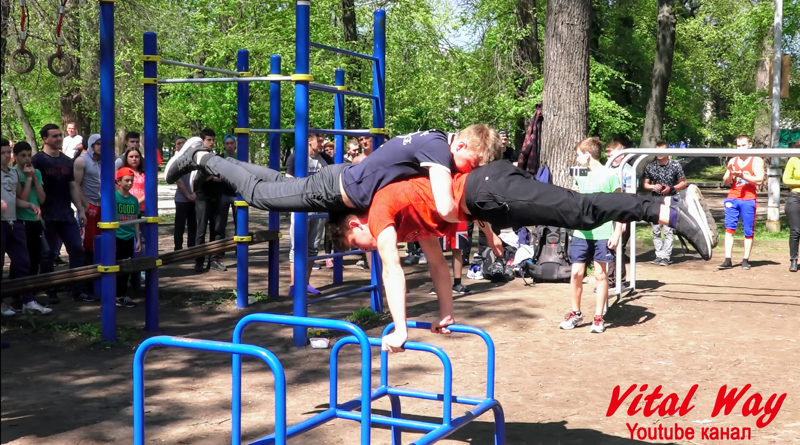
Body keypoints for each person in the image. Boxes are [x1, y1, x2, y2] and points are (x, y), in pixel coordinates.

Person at [325, 148, 713, 351]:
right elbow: (439, 268)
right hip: (490, 195)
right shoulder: (408, 219)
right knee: (576, 214)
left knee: (580, 211)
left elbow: (392, 270)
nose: (365, 248)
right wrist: (446, 313)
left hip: (491, 190)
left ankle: (668, 209)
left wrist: (402, 329)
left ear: (354, 223)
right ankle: (665, 211)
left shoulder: (378, 212)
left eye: (355, 243)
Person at [165, 126, 501, 223]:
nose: (469, 173)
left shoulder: (436, 137)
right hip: (337, 187)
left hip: (341, 179)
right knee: (258, 195)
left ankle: (207, 157)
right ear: (462, 147)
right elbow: (444, 207)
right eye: (473, 165)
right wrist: (478, 217)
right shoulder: (440, 152)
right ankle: (200, 155)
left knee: (276, 183)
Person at [559, 138, 623, 334]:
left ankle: (598, 317)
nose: (577, 159)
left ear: (587, 155)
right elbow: (576, 198)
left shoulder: (611, 175)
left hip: (603, 233)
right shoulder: (579, 174)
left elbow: (620, 207)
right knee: (576, 273)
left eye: (579, 155)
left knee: (600, 274)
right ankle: (576, 314)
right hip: (581, 231)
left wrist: (617, 231)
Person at [32, 124, 98, 303]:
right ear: (45, 139)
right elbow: (34, 190)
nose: (59, 138)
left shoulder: (67, 161)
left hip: (66, 215)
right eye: (55, 136)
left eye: (60, 135)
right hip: (46, 216)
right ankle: (49, 290)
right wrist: (39, 215)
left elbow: (72, 186)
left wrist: (81, 209)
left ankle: (77, 290)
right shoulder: (37, 161)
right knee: (47, 255)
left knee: (77, 250)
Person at [1, 138, 51, 315]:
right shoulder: (12, 171)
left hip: (14, 221)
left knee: (24, 262)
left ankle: (28, 301)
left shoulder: (13, 174)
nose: (6, 156)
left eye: (8, 152)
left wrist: (30, 205)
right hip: (3, 223)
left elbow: (17, 198)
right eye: (3, 153)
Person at [286, 131, 328, 295]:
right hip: (302, 207)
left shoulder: (325, 160)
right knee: (297, 246)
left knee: (313, 247)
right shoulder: (297, 157)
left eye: (323, 140)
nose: (322, 143)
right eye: (319, 140)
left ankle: (305, 283)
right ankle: (293, 285)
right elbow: (288, 179)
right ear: (309, 140)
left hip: (320, 208)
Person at [718, 135, 764, 270]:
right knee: (729, 228)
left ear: (749, 145)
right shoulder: (733, 160)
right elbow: (725, 181)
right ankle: (727, 259)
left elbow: (759, 180)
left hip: (749, 198)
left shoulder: (757, 160)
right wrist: (731, 173)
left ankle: (745, 259)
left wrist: (742, 175)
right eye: (738, 146)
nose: (741, 148)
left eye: (743, 145)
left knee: (748, 230)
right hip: (733, 197)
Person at [643, 141, 687, 266]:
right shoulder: (650, 166)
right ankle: (659, 255)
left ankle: (666, 256)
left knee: (668, 230)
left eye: (662, 151)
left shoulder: (675, 165)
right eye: (657, 150)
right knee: (656, 229)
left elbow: (683, 182)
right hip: (655, 200)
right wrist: (653, 186)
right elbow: (645, 184)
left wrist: (671, 188)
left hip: (670, 200)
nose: (659, 154)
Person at [11, 142, 46, 286]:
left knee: (35, 256)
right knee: (21, 258)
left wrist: (35, 178)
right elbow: (22, 199)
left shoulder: (36, 172)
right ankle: (16, 293)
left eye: (29, 155)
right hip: (20, 218)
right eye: (23, 156)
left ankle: (30, 291)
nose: (27, 159)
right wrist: (28, 179)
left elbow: (42, 199)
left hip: (35, 219)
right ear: (16, 157)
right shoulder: (14, 173)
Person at [114, 167, 141, 308]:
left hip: (129, 237)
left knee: (126, 268)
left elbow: (136, 220)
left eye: (131, 181)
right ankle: (114, 296)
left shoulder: (133, 200)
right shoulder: (113, 197)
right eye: (126, 180)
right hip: (117, 237)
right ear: (118, 181)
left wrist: (137, 239)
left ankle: (122, 295)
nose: (130, 183)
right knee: (115, 267)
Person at [74, 134, 102, 262]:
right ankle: (87, 272)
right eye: (98, 144)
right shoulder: (82, 160)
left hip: (103, 204)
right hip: (89, 204)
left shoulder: (105, 161)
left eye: (102, 143)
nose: (100, 147)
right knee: (88, 239)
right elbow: (75, 185)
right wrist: (84, 205)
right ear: (91, 145)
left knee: (102, 236)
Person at [172, 136, 196, 251]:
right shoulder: (175, 160)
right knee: (179, 226)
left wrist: (195, 194)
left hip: (194, 198)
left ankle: (191, 248)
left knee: (193, 225)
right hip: (182, 199)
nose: (181, 145)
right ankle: (178, 249)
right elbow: (179, 180)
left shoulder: (193, 158)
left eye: (183, 143)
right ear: (176, 146)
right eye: (179, 143)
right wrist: (188, 195)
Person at [783, 140, 800, 272]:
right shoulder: (793, 160)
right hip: (795, 198)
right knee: (795, 231)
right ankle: (793, 260)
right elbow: (786, 179)